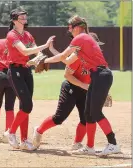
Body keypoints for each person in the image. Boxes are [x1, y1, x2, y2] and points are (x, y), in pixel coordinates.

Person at [37, 15, 120, 156]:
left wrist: (44, 60)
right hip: (97, 77)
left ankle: (113, 143)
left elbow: (63, 56)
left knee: (95, 112)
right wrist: (46, 59)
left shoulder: (81, 37)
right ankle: (89, 147)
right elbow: (67, 60)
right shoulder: (82, 45)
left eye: (70, 28)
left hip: (100, 75)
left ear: (77, 27)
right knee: (88, 113)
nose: (70, 31)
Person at [5, 8, 55, 150]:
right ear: (14, 20)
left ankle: (24, 140)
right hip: (15, 71)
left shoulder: (27, 35)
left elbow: (36, 52)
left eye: (25, 18)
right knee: (27, 105)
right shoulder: (11, 35)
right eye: (22, 18)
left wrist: (41, 58)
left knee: (24, 107)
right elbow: (25, 51)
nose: (25, 20)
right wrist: (45, 45)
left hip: (26, 70)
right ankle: (11, 132)